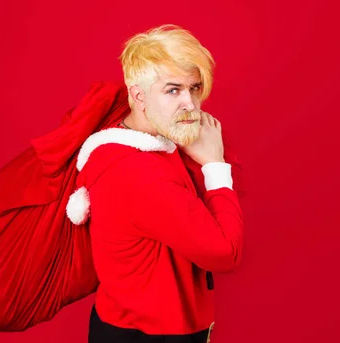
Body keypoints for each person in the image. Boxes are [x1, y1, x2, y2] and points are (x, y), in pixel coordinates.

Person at [67, 24, 245, 343]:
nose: (190, 103)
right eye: (173, 90)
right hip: (152, 334)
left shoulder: (141, 138)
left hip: (131, 323)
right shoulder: (139, 172)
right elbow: (224, 253)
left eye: (194, 88)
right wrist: (216, 165)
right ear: (138, 95)